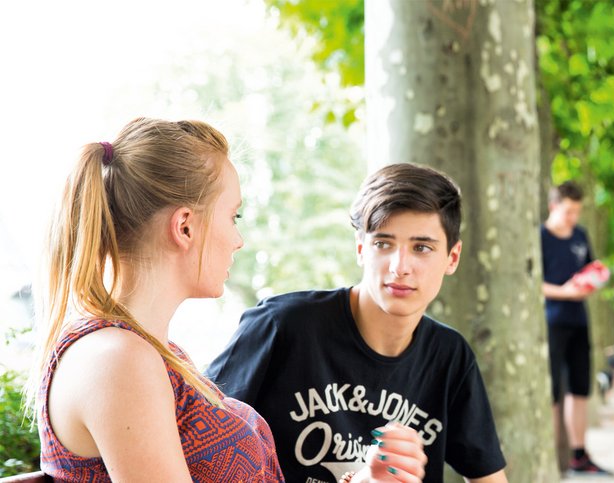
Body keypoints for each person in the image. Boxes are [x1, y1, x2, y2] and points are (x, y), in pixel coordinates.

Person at [208, 163, 507, 483]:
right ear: (361, 248)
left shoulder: (450, 356)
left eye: (421, 248)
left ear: (452, 257)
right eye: (383, 243)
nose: (399, 266)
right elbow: (197, 447)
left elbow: (488, 477)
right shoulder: (281, 326)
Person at [29, 118, 283, 481]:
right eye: (232, 216)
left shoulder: (153, 352)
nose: (238, 239)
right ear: (185, 227)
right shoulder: (117, 358)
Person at [541, 181, 610, 476]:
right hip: (551, 321)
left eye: (577, 211)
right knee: (554, 392)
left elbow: (592, 268)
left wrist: (597, 276)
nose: (573, 217)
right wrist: (564, 291)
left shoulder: (580, 235)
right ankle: (555, 455)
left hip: (579, 321)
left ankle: (579, 455)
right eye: (568, 211)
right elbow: (531, 282)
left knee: (579, 390)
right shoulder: (540, 237)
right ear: (553, 207)